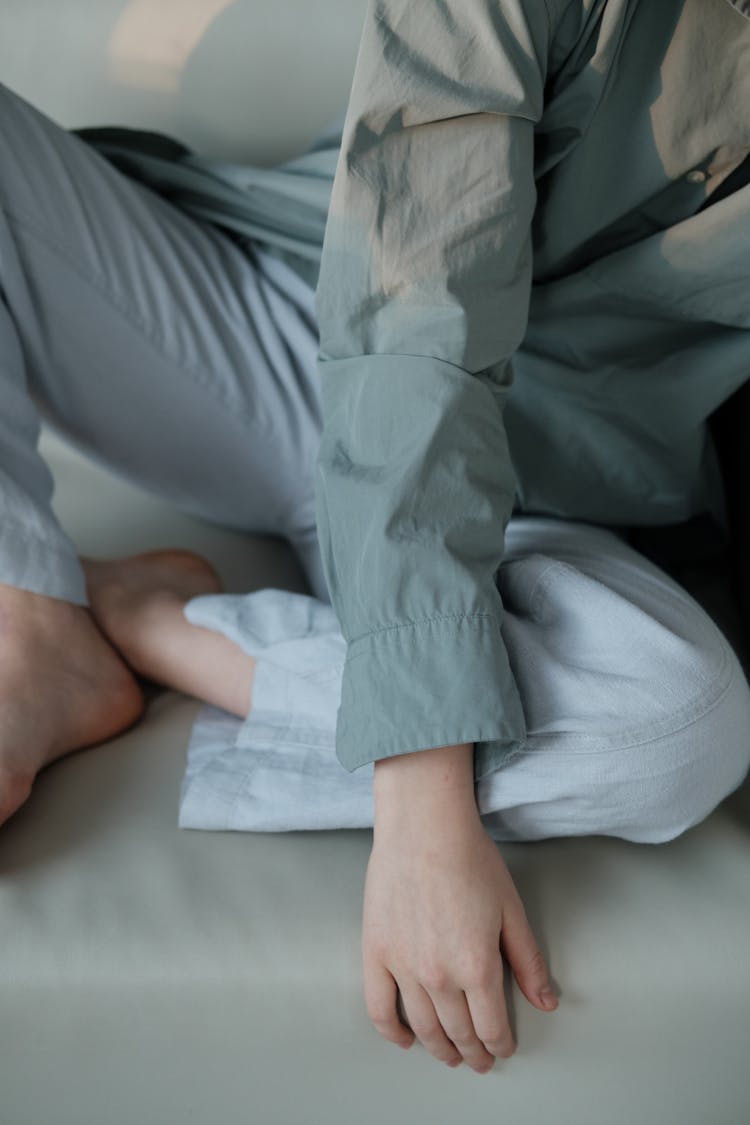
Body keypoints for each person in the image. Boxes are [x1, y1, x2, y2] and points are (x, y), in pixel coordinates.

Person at [2, 0, 750, 1077]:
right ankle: (29, 613)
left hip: (545, 489)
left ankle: (151, 625)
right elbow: (415, 305)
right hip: (270, 324)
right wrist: (420, 783)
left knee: (683, 726)